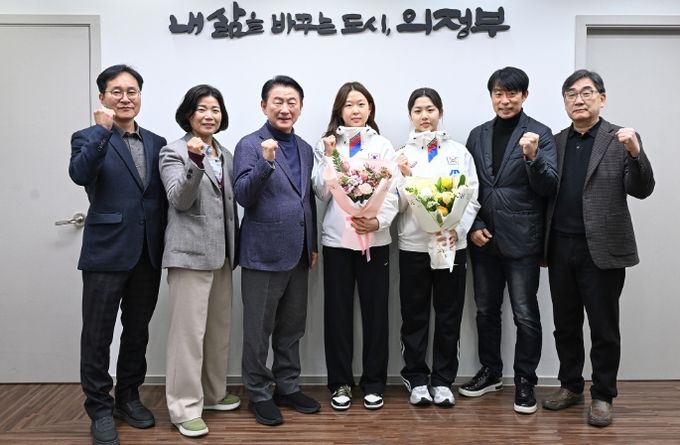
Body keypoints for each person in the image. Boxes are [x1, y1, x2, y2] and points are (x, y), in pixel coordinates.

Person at [541, 70, 655, 427]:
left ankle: (603, 395)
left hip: (602, 249)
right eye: (571, 94)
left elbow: (642, 189)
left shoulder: (620, 138)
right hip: (560, 247)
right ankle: (570, 386)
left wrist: (636, 152)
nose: (578, 99)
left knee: (604, 328)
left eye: (586, 92)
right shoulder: (555, 141)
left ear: (601, 99)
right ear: (564, 102)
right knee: (565, 325)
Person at [69, 64, 167, 445]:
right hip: (106, 252)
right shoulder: (88, 137)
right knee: (97, 335)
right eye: (117, 91)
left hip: (147, 253)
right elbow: (80, 174)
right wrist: (102, 130)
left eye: (132, 91)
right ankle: (99, 408)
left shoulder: (156, 142)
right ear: (103, 97)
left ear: (140, 96)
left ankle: (128, 396)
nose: (125, 98)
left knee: (137, 331)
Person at [460, 66, 558, 414]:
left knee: (525, 315)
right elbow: (466, 186)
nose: (505, 100)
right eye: (498, 94)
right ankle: (490, 372)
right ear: (491, 96)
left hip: (522, 241)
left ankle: (525, 380)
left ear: (524, 96)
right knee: (486, 311)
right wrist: (473, 224)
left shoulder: (540, 134)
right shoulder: (477, 135)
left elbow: (549, 186)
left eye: (512, 93)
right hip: (483, 239)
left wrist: (532, 157)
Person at [233, 75, 319, 426]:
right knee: (258, 329)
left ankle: (288, 385)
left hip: (299, 251)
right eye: (278, 102)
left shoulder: (305, 148)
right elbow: (243, 195)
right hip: (263, 253)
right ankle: (258, 391)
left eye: (291, 102)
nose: (285, 108)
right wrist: (266, 164)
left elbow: (307, 200)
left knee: (292, 327)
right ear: (263, 106)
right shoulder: (249, 144)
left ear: (300, 107)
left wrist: (312, 244)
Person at [159, 85, 240, 437]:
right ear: (188, 114)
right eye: (202, 109)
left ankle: (213, 393)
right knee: (188, 336)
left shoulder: (226, 153)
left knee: (218, 330)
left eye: (215, 109)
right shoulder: (173, 151)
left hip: (222, 255)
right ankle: (184, 407)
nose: (209, 115)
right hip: (189, 256)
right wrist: (194, 161)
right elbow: (179, 199)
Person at [311, 81, 397, 411]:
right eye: (349, 104)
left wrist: (378, 221)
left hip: (375, 240)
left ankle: (374, 383)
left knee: (376, 314)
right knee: (337, 313)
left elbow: (394, 190)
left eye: (361, 104)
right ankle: (340, 383)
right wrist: (329, 155)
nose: (356, 110)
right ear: (339, 110)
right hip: (337, 240)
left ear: (370, 108)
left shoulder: (383, 145)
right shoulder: (326, 143)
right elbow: (320, 191)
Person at [395, 88, 480, 407]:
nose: (425, 116)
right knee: (414, 315)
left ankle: (443, 381)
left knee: (448, 315)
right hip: (413, 246)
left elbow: (472, 196)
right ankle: (416, 378)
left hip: (451, 246)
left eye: (430, 109)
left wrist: (457, 230)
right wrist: (406, 178)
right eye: (418, 110)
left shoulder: (459, 152)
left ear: (440, 112)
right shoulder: (401, 154)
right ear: (410, 115)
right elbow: (396, 205)